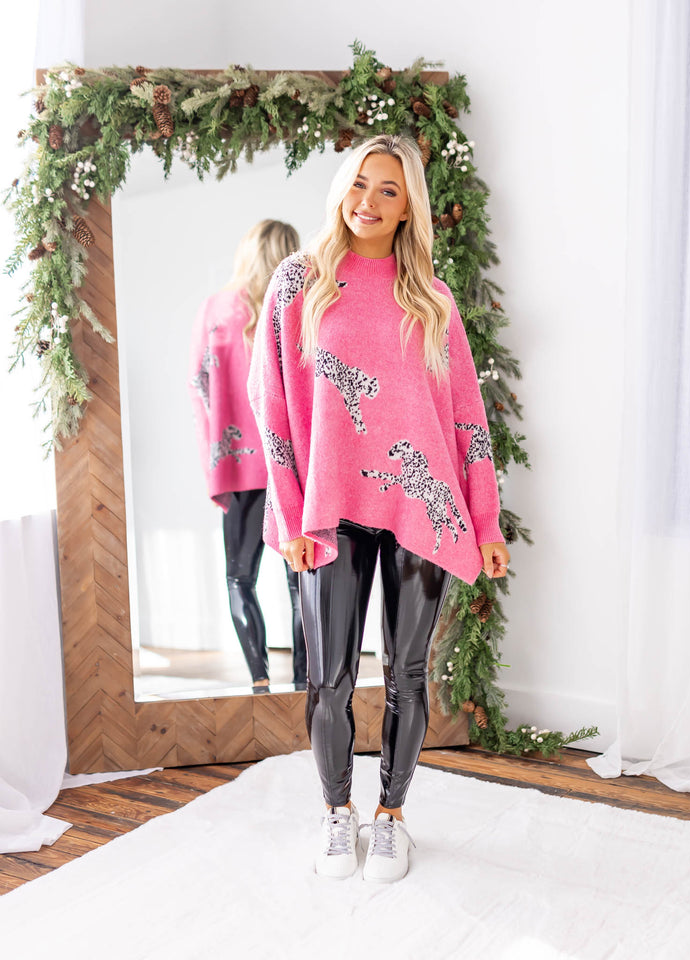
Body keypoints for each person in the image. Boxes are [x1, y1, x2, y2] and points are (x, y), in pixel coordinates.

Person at [248, 135, 509, 881]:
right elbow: (271, 403)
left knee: (407, 674)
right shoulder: (300, 282)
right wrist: (291, 514)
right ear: (341, 188)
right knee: (329, 677)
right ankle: (338, 813)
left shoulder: (431, 299)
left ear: (408, 207)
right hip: (328, 509)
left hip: (420, 504)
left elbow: (466, 418)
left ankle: (391, 818)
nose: (368, 200)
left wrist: (484, 522)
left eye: (388, 189)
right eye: (359, 183)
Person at [188, 219, 307, 692]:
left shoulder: (216, 310)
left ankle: (259, 680)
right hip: (295, 464)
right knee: (302, 583)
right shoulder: (301, 304)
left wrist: (217, 456)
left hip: (239, 465)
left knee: (240, 578)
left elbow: (199, 387)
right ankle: (305, 683)